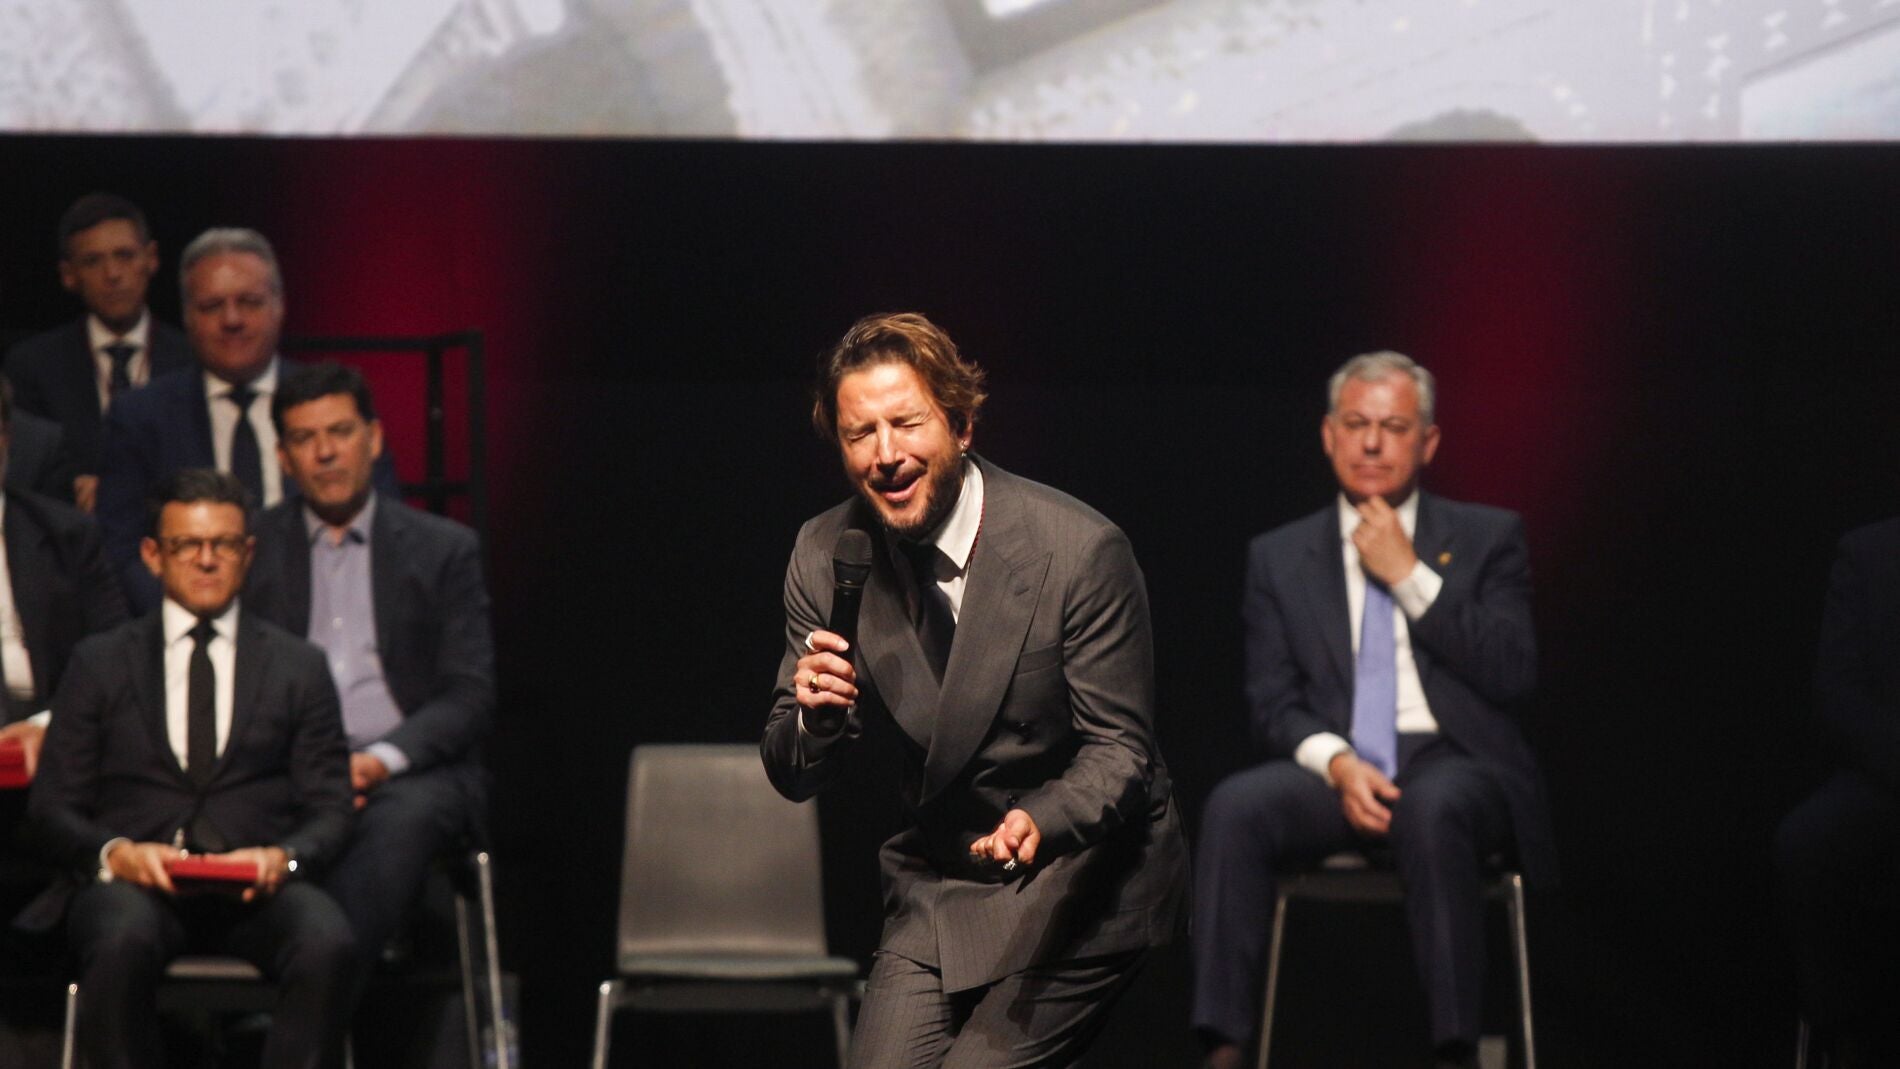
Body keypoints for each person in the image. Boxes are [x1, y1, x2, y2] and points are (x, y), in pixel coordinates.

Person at [762, 312, 1187, 1068]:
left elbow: (1121, 751)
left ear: (960, 425)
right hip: (944, 879)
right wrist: (816, 721)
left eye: (907, 423)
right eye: (861, 434)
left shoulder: (1077, 550)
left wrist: (1039, 817)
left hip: (1081, 876)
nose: (886, 454)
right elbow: (792, 768)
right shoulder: (827, 552)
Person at [1192, 351, 1556, 1069]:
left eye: (1393, 427)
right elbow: (1272, 700)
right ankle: (1222, 1048)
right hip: (1341, 765)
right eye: (1356, 424)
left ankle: (1455, 1050)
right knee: (1235, 807)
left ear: (1429, 441)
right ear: (1329, 435)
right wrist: (1337, 763)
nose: (1371, 443)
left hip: (1455, 762)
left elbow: (1512, 673)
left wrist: (1409, 574)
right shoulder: (1279, 556)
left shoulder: (1488, 537)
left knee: (1433, 808)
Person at [25, 468, 356, 1069]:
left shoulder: (299, 666)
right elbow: (51, 808)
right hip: (136, 885)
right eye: (187, 545)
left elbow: (331, 808)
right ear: (153, 555)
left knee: (326, 939)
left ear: (247, 554)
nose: (206, 560)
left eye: (223, 544)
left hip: (257, 889)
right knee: (119, 936)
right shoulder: (99, 663)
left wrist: (284, 858)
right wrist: (115, 854)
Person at [245, 362, 494, 982]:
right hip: (285, 771)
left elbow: (468, 694)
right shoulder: (251, 549)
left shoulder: (443, 549)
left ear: (375, 438)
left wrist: (378, 761)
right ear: (282, 457)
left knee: (399, 821)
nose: (326, 453)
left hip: (405, 774)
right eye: (305, 438)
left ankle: (314, 1002)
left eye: (341, 431)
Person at [95, 227, 395, 612]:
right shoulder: (140, 417)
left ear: (280, 306)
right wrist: (190, 620)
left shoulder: (334, 405)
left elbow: (384, 525)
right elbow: (122, 550)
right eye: (212, 306)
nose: (232, 319)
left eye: (250, 302)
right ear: (187, 317)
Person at [0, 378, 128, 927]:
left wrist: (48, 726)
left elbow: (115, 660)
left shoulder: (65, 534)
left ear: (6, 440)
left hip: (58, 755)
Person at [1775, 520, 1900, 1067]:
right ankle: (1840, 1038)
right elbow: (1837, 696)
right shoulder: (1867, 554)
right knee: (1804, 844)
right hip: (1886, 778)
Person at [3, 193, 192, 511]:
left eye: (125, 255)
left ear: (151, 258)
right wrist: (74, 491)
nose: (112, 274)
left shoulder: (191, 358)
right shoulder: (33, 366)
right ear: (68, 275)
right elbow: (24, 473)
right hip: (68, 530)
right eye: (93, 261)